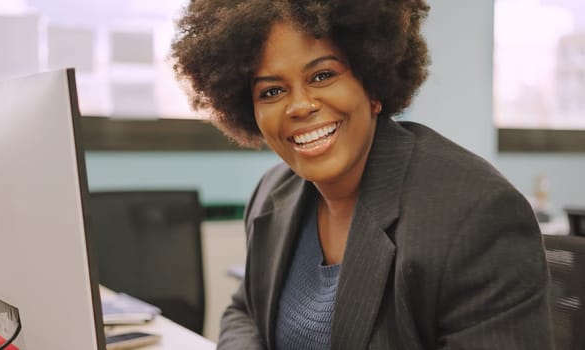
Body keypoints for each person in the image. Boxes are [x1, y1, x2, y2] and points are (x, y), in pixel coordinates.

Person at [171, 1, 554, 349]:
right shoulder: (273, 193)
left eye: (322, 75)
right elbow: (245, 311)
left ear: (372, 85)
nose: (300, 106)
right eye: (271, 92)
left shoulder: (475, 215)